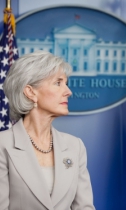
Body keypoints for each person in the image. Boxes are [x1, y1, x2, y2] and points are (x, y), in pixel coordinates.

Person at [0, 51, 96, 210]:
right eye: (58, 83)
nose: (68, 91)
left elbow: (84, 207)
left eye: (66, 83)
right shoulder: (3, 145)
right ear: (30, 92)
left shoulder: (74, 146)